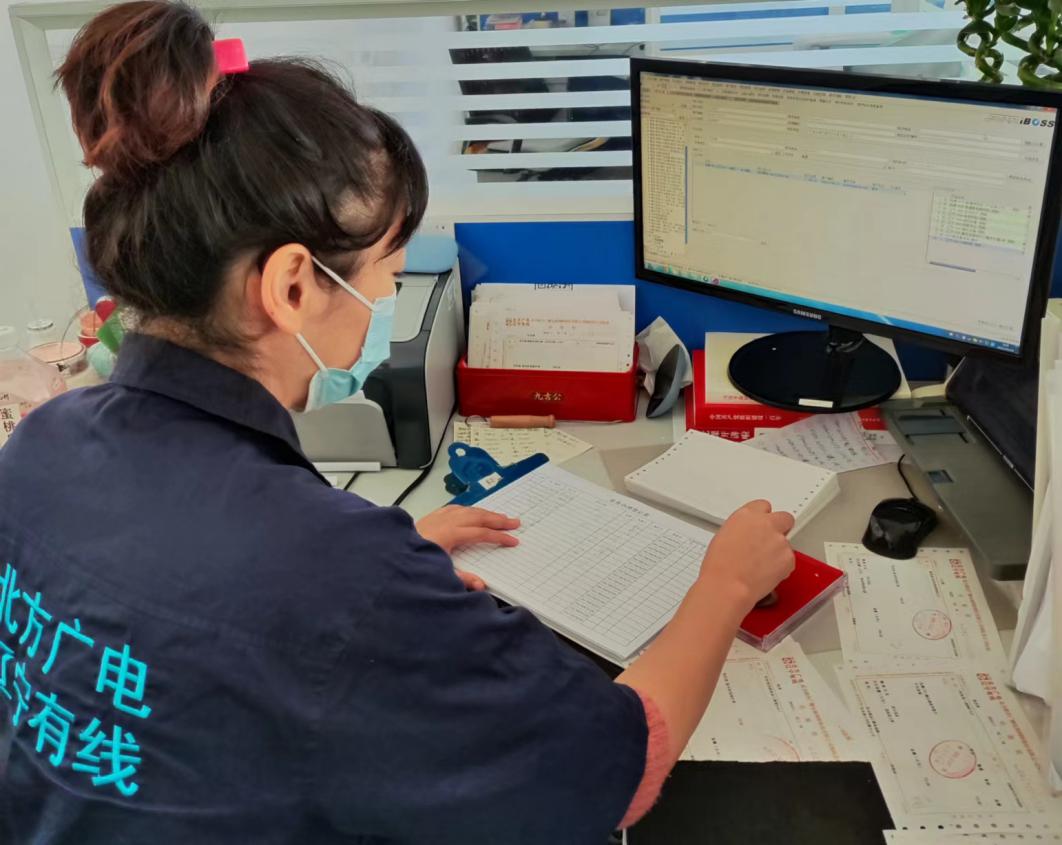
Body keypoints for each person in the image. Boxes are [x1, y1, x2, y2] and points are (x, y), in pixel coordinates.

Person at [0, 3, 795, 842]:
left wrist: (382, 561)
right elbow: (619, 767)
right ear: (292, 286)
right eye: (387, 270)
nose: (388, 299)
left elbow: (172, 621)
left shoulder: (40, 443)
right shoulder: (334, 576)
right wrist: (724, 586)